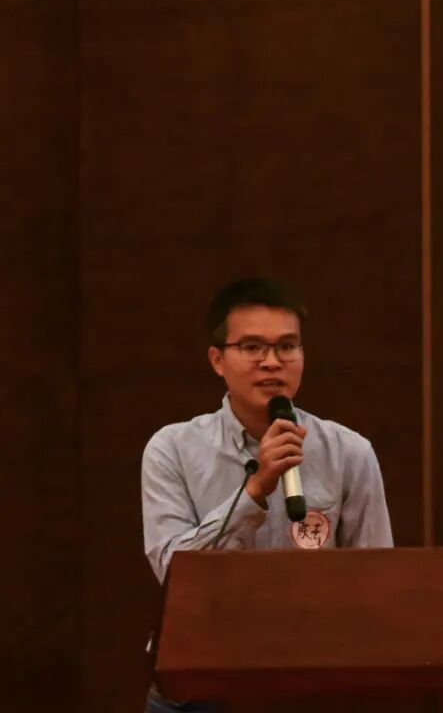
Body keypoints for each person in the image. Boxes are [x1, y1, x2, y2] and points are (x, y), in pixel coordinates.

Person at [141, 277, 394, 712]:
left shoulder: (349, 452)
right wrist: (255, 490)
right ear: (218, 360)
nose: (272, 362)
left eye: (287, 347)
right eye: (253, 347)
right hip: (200, 685)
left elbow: (377, 581)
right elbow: (176, 575)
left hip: (313, 685)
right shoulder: (173, 449)